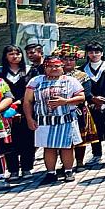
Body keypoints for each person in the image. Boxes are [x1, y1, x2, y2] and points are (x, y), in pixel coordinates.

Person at [24, 55, 86, 184]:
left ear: (62, 67)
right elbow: (28, 101)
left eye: (57, 66)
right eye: (50, 66)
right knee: (48, 147)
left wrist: (66, 101)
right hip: (44, 120)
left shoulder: (70, 80)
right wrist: (30, 119)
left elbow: (81, 97)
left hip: (65, 120)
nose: (54, 69)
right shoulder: (36, 81)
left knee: (67, 147)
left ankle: (68, 171)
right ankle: (50, 173)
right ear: (44, 67)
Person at [0, 45, 35, 181]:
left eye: (18, 53)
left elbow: (33, 90)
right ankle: (13, 170)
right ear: (5, 56)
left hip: (26, 109)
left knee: (27, 140)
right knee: (8, 142)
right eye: (11, 54)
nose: (15, 56)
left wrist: (19, 103)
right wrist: (6, 106)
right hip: (3, 111)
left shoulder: (30, 70)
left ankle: (27, 168)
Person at [57, 44, 99, 172]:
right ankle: (66, 163)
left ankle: (80, 162)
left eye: (71, 59)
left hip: (79, 110)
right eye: (64, 59)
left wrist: (69, 100)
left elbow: (86, 93)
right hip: (59, 111)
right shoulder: (54, 75)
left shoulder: (82, 75)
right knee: (62, 138)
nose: (68, 62)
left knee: (80, 137)